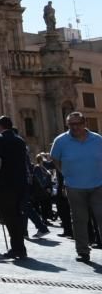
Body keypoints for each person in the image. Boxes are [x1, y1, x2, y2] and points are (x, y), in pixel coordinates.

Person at [50, 111, 102, 263]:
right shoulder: (61, 141)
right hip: (74, 186)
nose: (74, 127)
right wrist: (66, 173)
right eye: (71, 124)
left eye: (77, 124)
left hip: (98, 185)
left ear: (84, 124)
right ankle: (83, 251)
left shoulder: (97, 139)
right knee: (79, 220)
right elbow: (55, 158)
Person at [0, 116, 29, 259]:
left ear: (0, 126)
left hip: (4, 184)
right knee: (18, 215)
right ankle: (20, 247)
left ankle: (16, 248)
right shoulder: (20, 140)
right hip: (20, 183)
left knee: (8, 216)